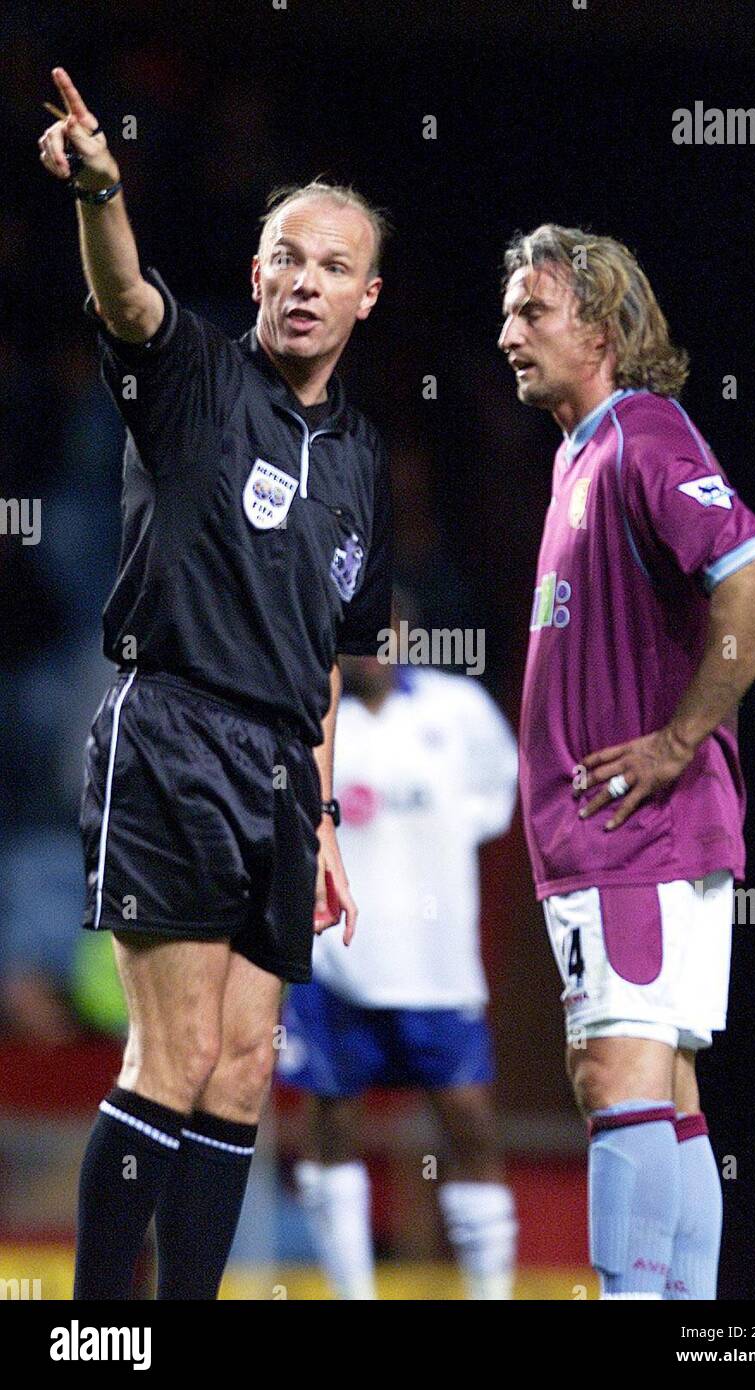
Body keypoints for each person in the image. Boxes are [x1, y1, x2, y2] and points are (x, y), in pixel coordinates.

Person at [37, 66, 393, 1300]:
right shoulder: (193, 378)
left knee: (246, 1068)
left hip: (281, 773)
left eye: (331, 265)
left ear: (366, 296)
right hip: (172, 734)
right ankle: (95, 1333)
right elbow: (127, 296)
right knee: (174, 1054)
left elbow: (330, 662)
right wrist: (101, 194)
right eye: (284, 258)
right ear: (255, 278)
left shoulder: (360, 456)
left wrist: (329, 810)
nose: (304, 281)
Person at [498, 224, 755, 1299]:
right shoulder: (582, 451)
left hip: (636, 834)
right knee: (666, 1090)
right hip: (628, 840)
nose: (506, 334)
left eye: (533, 312)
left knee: (615, 1074)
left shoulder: (641, 434)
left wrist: (679, 740)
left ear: (604, 327)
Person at [277, 652, 519, 1298]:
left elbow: (499, 787)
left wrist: (438, 833)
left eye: (383, 633)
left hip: (436, 964)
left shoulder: (455, 708)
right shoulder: (312, 713)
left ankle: (490, 1292)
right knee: (330, 1119)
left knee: (469, 1120)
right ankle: (352, 1292)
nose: (371, 650)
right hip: (337, 959)